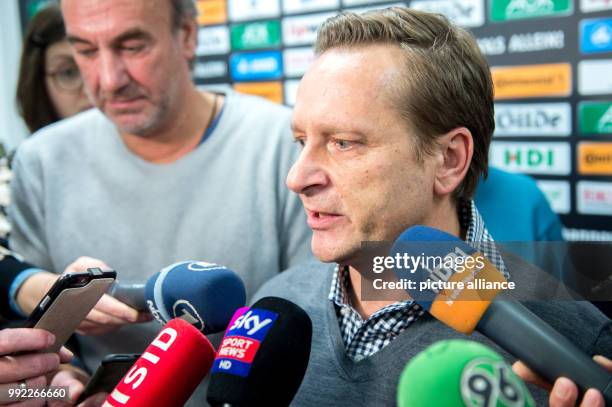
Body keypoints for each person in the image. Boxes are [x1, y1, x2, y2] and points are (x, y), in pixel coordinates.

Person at [253, 7, 611, 407]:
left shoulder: (575, 349)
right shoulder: (274, 308)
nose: (297, 178)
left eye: (343, 142)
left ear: (449, 160)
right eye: (303, 141)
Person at [8, 0, 311, 402]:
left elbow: (316, 331)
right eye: (85, 50)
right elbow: (42, 340)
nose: (109, 78)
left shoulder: (286, 148)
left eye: (132, 47)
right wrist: (64, 381)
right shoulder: (40, 160)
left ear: (186, 36)